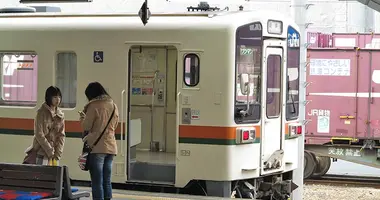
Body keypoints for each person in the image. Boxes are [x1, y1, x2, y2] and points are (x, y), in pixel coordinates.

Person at [79, 82, 119, 200]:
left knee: (97, 181)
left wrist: (82, 117)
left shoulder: (94, 106)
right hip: (111, 147)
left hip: (97, 148)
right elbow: (115, 125)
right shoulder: (113, 105)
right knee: (106, 180)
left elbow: (86, 126)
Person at [23, 86, 65, 165]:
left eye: (59, 97)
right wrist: (49, 150)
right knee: (41, 175)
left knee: (53, 175)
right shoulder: (41, 113)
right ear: (49, 97)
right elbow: (39, 134)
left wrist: (58, 153)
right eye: (55, 97)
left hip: (55, 154)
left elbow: (61, 135)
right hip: (41, 152)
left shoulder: (60, 115)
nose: (58, 99)